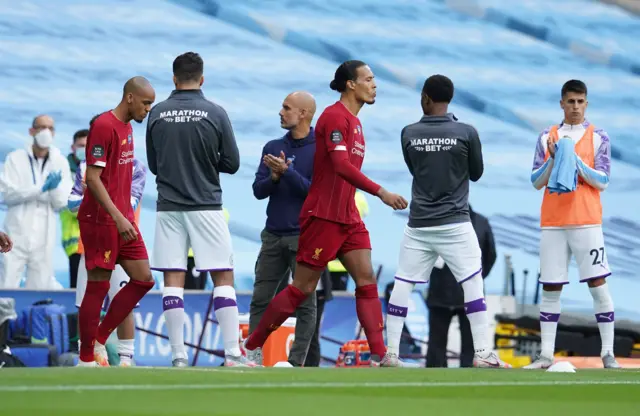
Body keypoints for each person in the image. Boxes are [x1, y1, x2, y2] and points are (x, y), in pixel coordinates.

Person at [243, 60, 408, 367]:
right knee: (302, 289)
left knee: (366, 279)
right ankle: (251, 346)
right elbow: (341, 167)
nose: (374, 85)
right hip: (324, 216)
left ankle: (381, 355)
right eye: (369, 79)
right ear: (351, 84)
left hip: (348, 216)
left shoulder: (356, 124)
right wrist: (381, 192)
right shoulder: (333, 117)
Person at [385, 74, 510, 368]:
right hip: (455, 221)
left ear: (425, 98)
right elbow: (476, 173)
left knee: (403, 283)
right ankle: (482, 354)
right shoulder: (466, 132)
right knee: (472, 282)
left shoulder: (408, 132)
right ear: (450, 99)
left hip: (419, 223)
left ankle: (391, 353)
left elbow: (415, 168)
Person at [146, 52, 254, 368]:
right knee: (223, 276)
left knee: (172, 279)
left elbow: (155, 165)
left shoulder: (157, 113)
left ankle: (178, 355)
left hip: (168, 207)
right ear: (202, 78)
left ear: (174, 78)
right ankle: (232, 353)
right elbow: (232, 163)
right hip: (206, 204)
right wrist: (207, 163)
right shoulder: (215, 112)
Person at [525, 80, 620, 369]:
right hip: (553, 222)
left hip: (587, 221)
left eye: (580, 102)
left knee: (597, 284)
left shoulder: (598, 137)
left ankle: (608, 353)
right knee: (551, 288)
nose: (576, 107)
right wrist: (555, 160)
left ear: (586, 104)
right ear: (562, 104)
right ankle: (545, 355)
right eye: (571, 102)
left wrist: (573, 159)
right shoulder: (546, 137)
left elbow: (602, 181)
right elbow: (535, 181)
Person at [76, 76, 156, 367]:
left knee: (144, 279)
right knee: (97, 286)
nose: (148, 109)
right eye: (146, 103)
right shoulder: (104, 126)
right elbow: (92, 179)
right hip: (101, 220)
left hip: (122, 221)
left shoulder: (127, 128)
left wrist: (125, 218)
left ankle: (99, 337)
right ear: (131, 98)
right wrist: (118, 217)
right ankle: (86, 360)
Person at [69, 123, 147, 366]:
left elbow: (130, 206)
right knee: (86, 300)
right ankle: (88, 354)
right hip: (92, 241)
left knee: (125, 299)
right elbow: (71, 204)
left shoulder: (136, 167)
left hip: (123, 239)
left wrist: (93, 195)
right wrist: (90, 197)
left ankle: (126, 358)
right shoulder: (84, 167)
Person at [249, 91, 318, 367]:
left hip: (304, 236)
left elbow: (316, 193)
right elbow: (258, 190)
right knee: (260, 298)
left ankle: (296, 361)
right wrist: (275, 177)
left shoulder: (320, 149)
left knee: (305, 303)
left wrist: (287, 173)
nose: (280, 112)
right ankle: (253, 356)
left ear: (303, 113)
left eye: (286, 108)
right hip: (273, 235)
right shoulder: (272, 146)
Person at [0, 114, 72, 289]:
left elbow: (62, 201)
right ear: (31, 131)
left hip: (44, 237)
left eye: (50, 128)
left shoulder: (59, 161)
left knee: (39, 291)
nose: (46, 132)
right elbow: (6, 194)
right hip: (15, 234)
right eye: (41, 127)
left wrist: (52, 189)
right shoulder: (15, 158)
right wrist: (40, 189)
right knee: (6, 286)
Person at [425, 205, 497, 368]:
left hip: (441, 292)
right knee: (468, 348)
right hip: (465, 293)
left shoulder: (434, 220)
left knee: (437, 348)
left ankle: (430, 383)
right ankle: (468, 382)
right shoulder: (481, 222)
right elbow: (490, 255)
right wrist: (476, 278)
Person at [61, 128, 89, 288]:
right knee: (77, 291)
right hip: (75, 243)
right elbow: (71, 205)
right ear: (73, 147)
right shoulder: (65, 171)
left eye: (87, 145)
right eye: (80, 145)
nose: (84, 149)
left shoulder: (98, 169)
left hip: (97, 241)